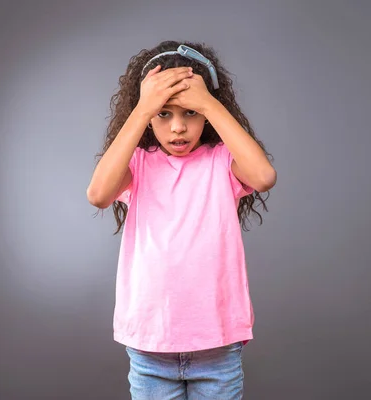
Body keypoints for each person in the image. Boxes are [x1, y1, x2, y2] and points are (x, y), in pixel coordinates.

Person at [87, 40, 276, 399]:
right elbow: (98, 194)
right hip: (150, 350)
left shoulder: (221, 161)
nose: (178, 128)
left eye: (189, 113)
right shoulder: (138, 164)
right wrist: (143, 108)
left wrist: (208, 101)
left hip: (217, 347)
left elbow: (263, 176)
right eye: (165, 113)